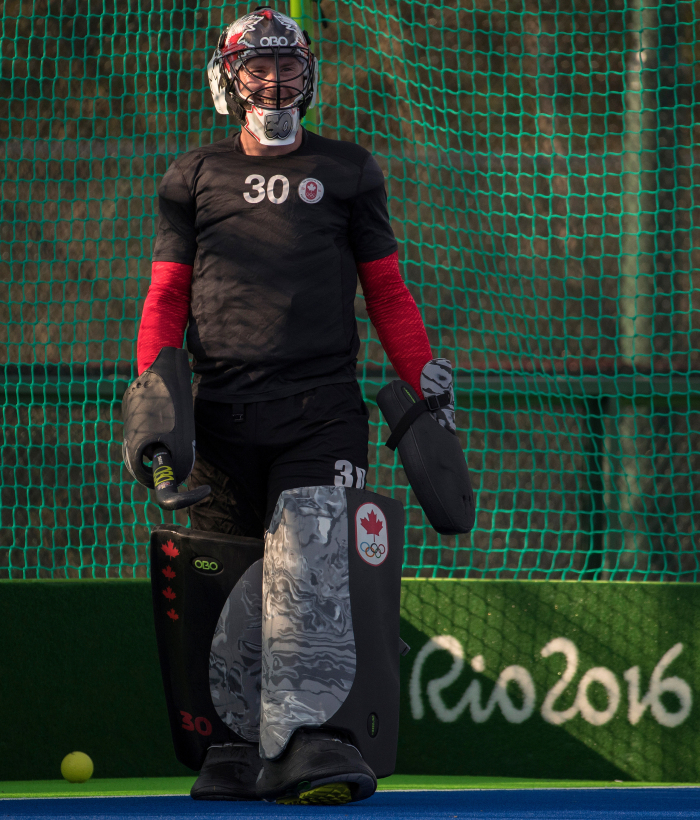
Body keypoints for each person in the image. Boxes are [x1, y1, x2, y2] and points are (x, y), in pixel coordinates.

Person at [135, 6, 451, 806]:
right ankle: (237, 747)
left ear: (310, 75)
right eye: (258, 69)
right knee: (229, 580)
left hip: (322, 411)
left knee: (308, 563)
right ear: (227, 80)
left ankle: (310, 738)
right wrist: (153, 398)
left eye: (289, 67)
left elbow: (386, 288)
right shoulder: (192, 177)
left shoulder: (348, 170)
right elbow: (166, 299)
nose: (275, 83)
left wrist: (420, 377)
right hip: (220, 414)